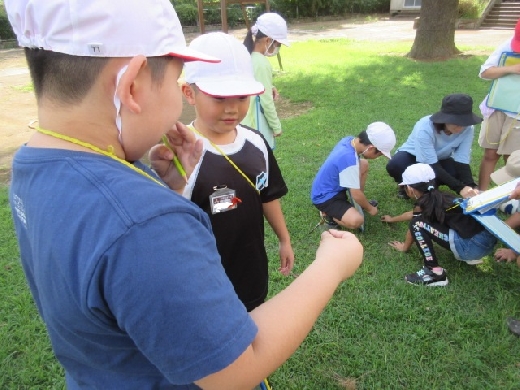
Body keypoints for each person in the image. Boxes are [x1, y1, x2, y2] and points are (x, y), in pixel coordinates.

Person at [5, 1, 363, 389]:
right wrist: (331, 265)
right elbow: (237, 368)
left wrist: (171, 190)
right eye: (176, 83)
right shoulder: (146, 224)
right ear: (132, 84)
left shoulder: (32, 165)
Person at [180, 32, 294, 312]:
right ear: (189, 93)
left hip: (251, 269)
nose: (232, 108)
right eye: (219, 97)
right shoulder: (179, 157)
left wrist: (284, 239)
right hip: (204, 283)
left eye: (242, 96)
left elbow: (267, 195)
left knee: (253, 325)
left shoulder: (256, 142)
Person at [383, 164, 497, 286]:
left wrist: (405, 247)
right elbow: (412, 214)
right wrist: (392, 219)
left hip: (472, 247)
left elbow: (414, 219)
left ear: (410, 189)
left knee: (417, 224)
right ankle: (470, 256)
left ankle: (435, 273)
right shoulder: (442, 197)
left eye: (404, 187)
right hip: (488, 242)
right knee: (425, 220)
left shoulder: (427, 204)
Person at [386, 93, 483, 199]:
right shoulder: (425, 127)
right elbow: (431, 164)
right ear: (445, 119)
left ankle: (429, 186)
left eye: (464, 123)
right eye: (456, 123)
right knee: (396, 165)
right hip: (413, 157)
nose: (460, 128)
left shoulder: (468, 129)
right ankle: (408, 186)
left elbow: (462, 159)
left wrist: (471, 186)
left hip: (440, 159)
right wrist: (459, 188)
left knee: (455, 171)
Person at [311, 122, 396, 230]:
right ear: (370, 148)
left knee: (363, 164)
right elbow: (355, 194)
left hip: (333, 186)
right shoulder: (349, 160)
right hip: (325, 197)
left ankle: (358, 204)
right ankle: (329, 216)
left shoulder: (349, 140)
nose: (378, 157)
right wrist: (370, 209)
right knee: (357, 220)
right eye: (379, 154)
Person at [477, 18, 520, 191]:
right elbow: (485, 72)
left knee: (513, 158)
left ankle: (509, 196)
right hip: (497, 106)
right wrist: (511, 69)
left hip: (517, 115)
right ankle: (481, 194)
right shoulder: (507, 46)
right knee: (490, 154)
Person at [241, 13, 290, 149]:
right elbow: (266, 100)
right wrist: (276, 126)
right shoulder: (262, 63)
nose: (278, 48)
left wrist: (271, 86)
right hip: (255, 126)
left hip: (243, 126)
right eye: (278, 44)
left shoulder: (246, 55)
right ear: (268, 41)